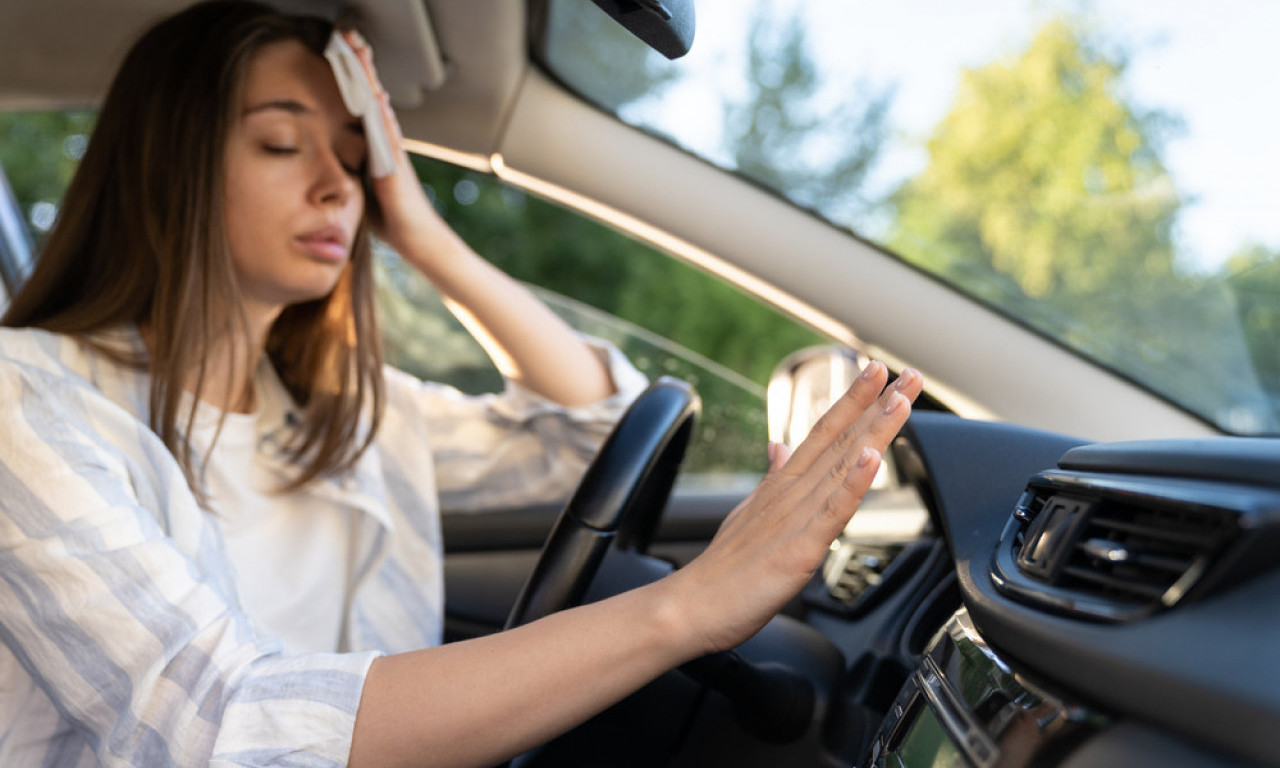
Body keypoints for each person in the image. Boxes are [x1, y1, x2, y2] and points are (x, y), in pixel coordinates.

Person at [0, 1, 924, 766]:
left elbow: (589, 433)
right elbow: (219, 723)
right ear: (167, 164)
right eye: (282, 143)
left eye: (354, 157)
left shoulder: (349, 415)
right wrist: (686, 607)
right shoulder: (27, 400)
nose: (339, 186)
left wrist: (423, 232)